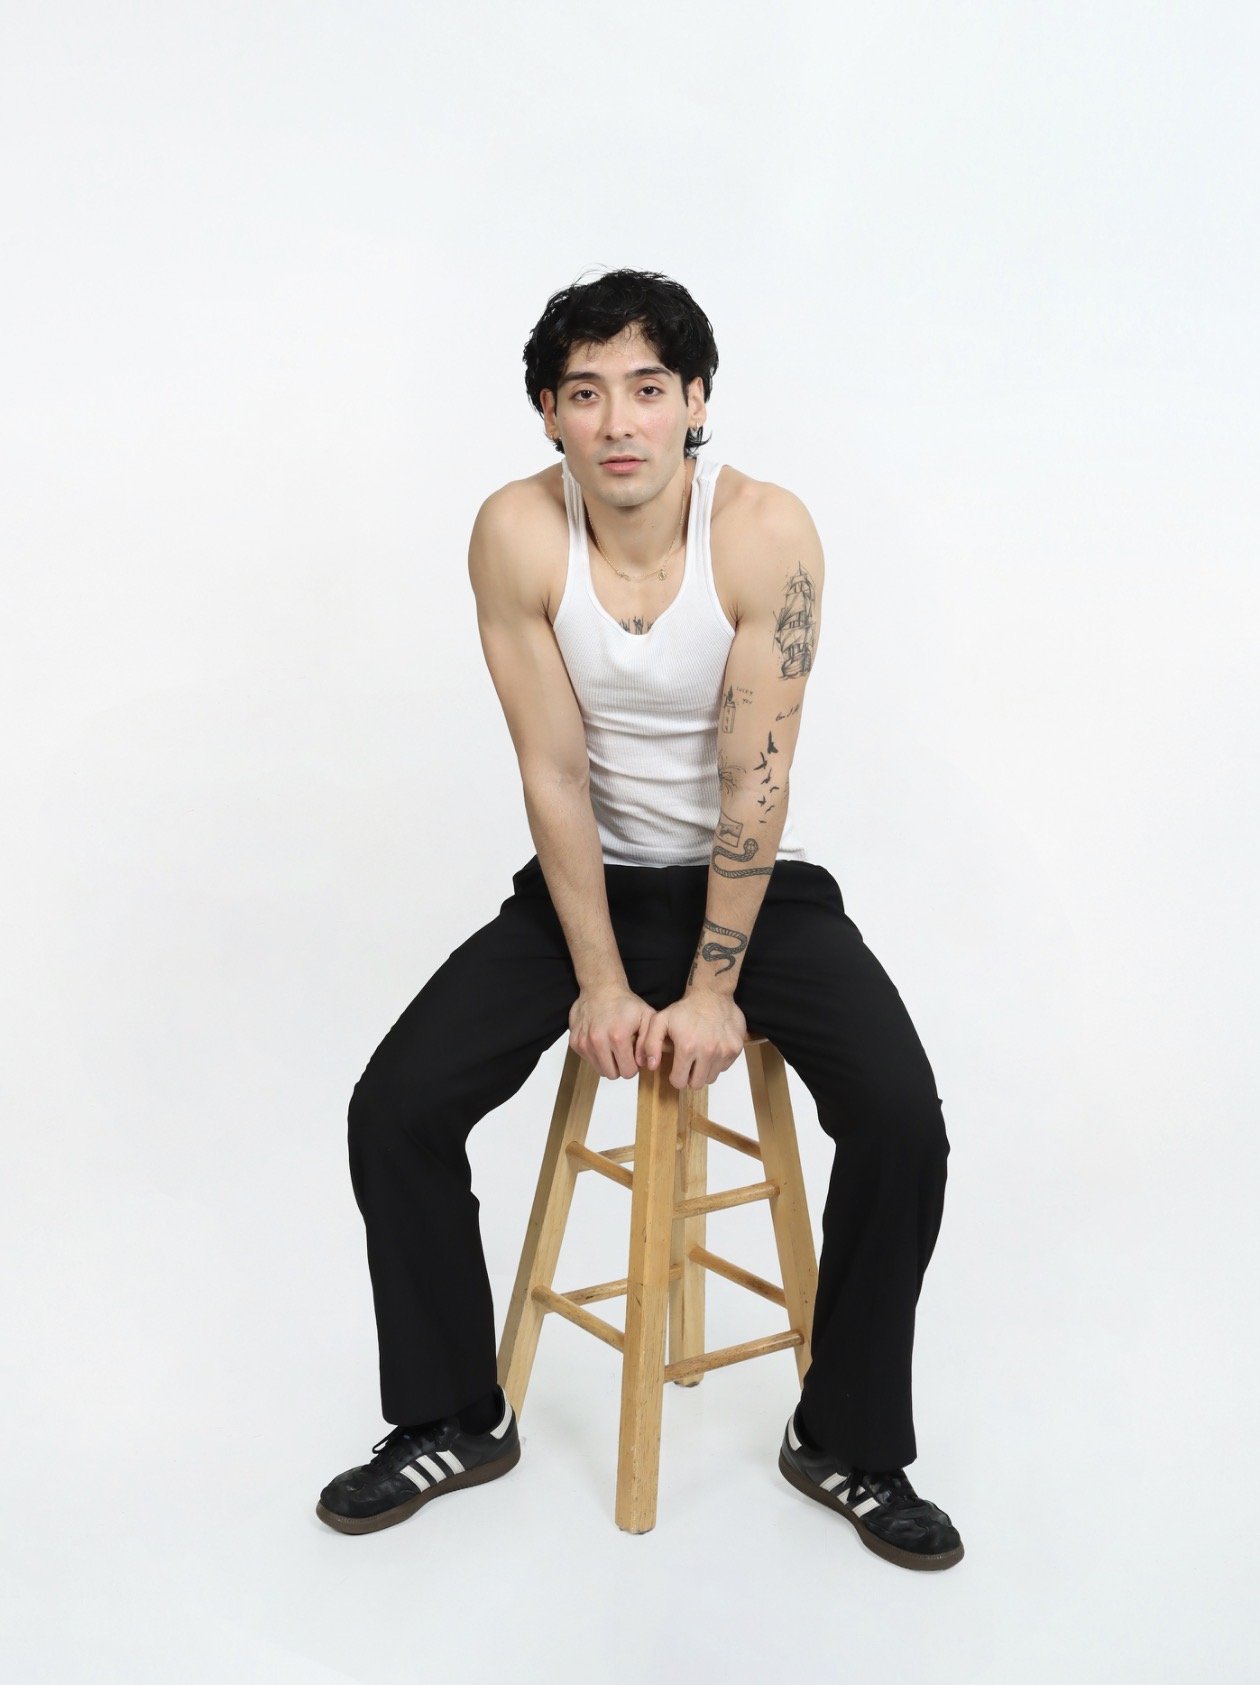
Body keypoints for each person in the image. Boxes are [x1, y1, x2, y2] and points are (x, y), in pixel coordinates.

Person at [316, 268, 963, 1571]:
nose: (620, 419)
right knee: (394, 1106)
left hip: (753, 888)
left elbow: (754, 776)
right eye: (586, 392)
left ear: (695, 404)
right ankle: (453, 1414)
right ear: (550, 416)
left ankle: (845, 1438)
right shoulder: (515, 533)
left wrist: (715, 984)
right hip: (583, 889)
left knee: (901, 1115)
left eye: (649, 390)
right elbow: (553, 770)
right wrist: (602, 980)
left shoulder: (765, 533)